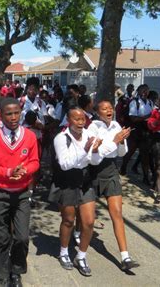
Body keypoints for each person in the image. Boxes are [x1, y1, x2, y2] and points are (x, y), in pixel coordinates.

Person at [0, 98, 40, 287]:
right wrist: (7, 172)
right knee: (2, 238)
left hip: (22, 193)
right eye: (9, 114)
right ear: (1, 115)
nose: (14, 117)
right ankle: (3, 276)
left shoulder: (29, 136)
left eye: (17, 113)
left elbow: (35, 162)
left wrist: (25, 171)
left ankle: (17, 270)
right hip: (1, 193)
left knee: (22, 237)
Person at [48, 106, 101, 277]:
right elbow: (64, 164)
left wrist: (95, 151)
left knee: (89, 221)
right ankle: (63, 252)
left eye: (82, 119)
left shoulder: (88, 135)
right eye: (76, 119)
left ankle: (81, 256)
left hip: (84, 180)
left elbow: (94, 161)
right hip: (67, 181)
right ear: (68, 121)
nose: (80, 122)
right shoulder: (61, 138)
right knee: (69, 220)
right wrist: (85, 150)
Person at [87, 100, 139, 270]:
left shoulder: (117, 125)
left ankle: (125, 257)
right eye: (104, 108)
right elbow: (95, 155)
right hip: (94, 170)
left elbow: (122, 153)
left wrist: (123, 140)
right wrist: (115, 141)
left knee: (116, 212)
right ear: (97, 112)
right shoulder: (93, 127)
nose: (109, 111)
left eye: (110, 108)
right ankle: (79, 231)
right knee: (87, 216)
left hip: (111, 171)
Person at [119, 84, 153, 184]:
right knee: (130, 152)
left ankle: (146, 177)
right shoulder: (134, 102)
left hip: (146, 131)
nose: (145, 92)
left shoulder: (150, 102)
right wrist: (147, 116)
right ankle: (123, 167)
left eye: (147, 90)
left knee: (145, 154)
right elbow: (133, 118)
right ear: (138, 91)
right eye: (143, 90)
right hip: (135, 129)